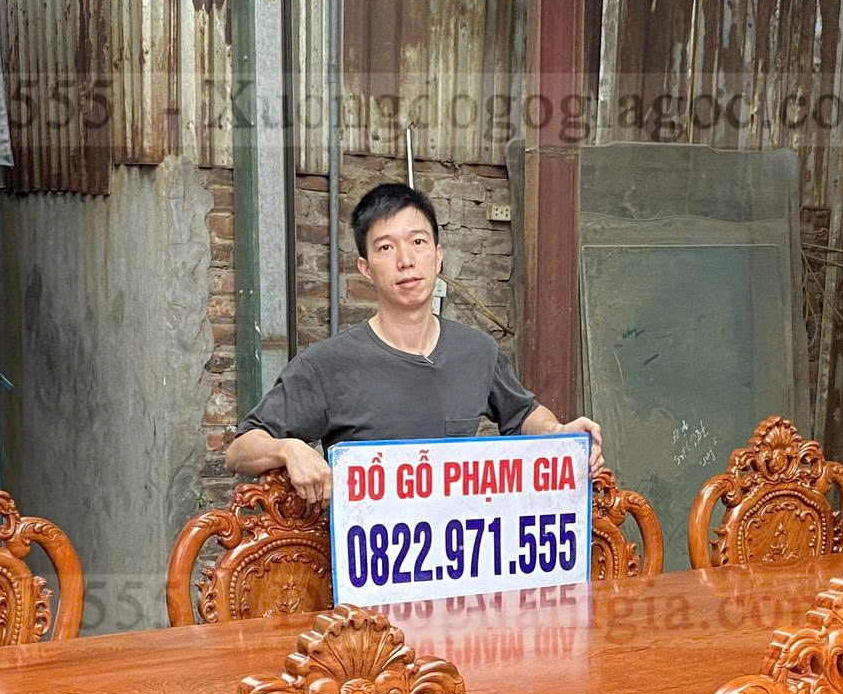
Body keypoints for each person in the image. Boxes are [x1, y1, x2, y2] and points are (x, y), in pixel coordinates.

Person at [226, 181, 602, 504]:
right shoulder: (327, 365)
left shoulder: (477, 351)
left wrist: (559, 434)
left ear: (438, 257)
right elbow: (240, 449)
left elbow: (523, 414)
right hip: (369, 557)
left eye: (418, 242)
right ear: (365, 268)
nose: (406, 260)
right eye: (386, 247)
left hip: (465, 549)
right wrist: (287, 448)